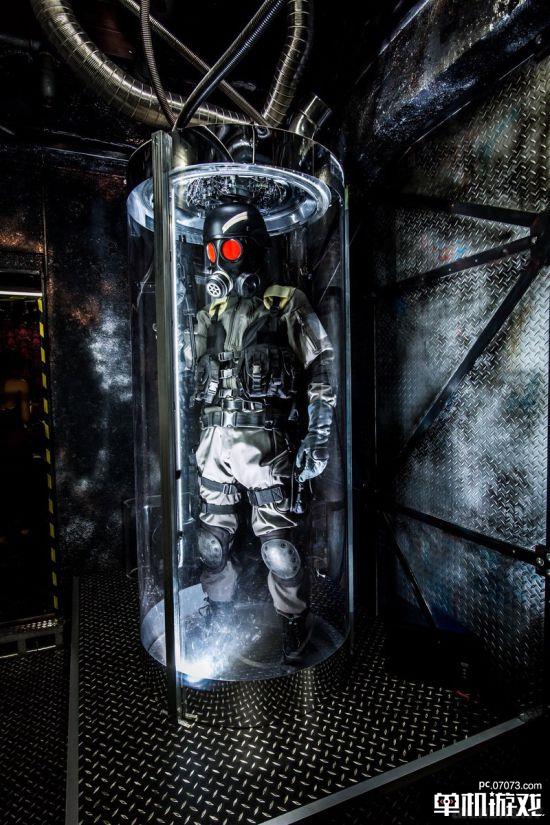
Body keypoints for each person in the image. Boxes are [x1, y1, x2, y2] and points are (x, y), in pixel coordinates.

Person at [184, 202, 336, 660]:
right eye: (211, 253)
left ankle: (293, 620)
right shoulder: (208, 315)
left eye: (227, 250)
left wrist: (318, 433)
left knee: (279, 549)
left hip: (265, 444)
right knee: (211, 543)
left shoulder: (285, 303)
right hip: (215, 444)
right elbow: (183, 368)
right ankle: (218, 612)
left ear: (250, 250)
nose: (218, 262)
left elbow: (322, 367)